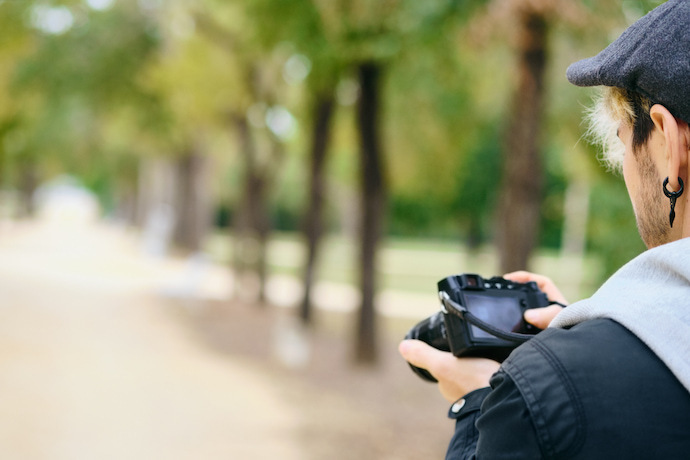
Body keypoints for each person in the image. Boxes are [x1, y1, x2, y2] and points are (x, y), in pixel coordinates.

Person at [399, 1, 690, 458]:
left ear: (669, 144)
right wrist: (612, 335)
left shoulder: (546, 391)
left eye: (622, 143)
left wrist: (479, 404)